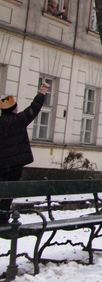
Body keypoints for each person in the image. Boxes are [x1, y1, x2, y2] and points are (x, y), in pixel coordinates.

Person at [0, 83, 50, 222]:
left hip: (1, 165)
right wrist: (42, 92)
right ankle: (3, 218)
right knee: (9, 192)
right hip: (15, 165)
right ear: (14, 109)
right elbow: (34, 109)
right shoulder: (18, 120)